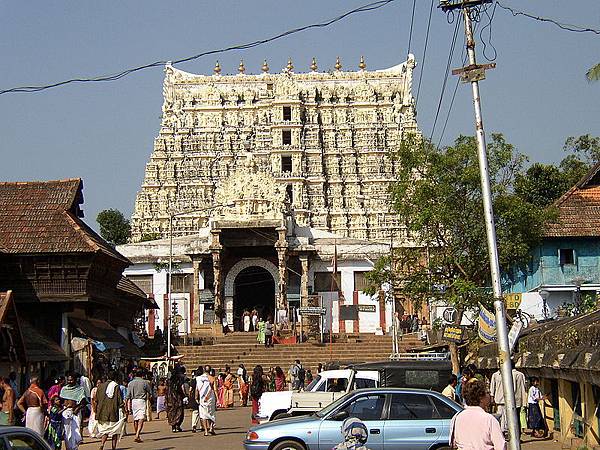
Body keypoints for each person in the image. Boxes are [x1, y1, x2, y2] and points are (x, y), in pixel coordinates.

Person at [450, 378, 506, 450]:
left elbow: (454, 444)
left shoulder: (457, 417)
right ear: (481, 397)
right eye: (487, 393)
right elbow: (501, 446)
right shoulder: (489, 419)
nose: (489, 395)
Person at [489, 364, 527, 435]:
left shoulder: (514, 374)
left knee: (511, 419)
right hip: (503, 400)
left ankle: (512, 435)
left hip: (512, 401)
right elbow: (492, 388)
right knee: (505, 419)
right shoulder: (496, 375)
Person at [95, 371, 126, 450]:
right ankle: (113, 447)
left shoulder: (100, 386)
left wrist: (96, 411)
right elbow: (120, 401)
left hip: (102, 412)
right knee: (115, 431)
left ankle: (102, 444)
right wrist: (124, 411)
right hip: (113, 412)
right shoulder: (116, 387)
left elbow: (96, 400)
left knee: (105, 430)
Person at [60, 373, 87, 450]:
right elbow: (60, 401)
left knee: (76, 432)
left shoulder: (80, 389)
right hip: (66, 412)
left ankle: (75, 448)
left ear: (75, 380)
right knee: (67, 431)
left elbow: (83, 403)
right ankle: (68, 448)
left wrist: (77, 409)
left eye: (71, 380)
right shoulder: (64, 389)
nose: (70, 381)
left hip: (76, 412)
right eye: (68, 380)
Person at [126, 368, 152, 442]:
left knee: (135, 418)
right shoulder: (145, 382)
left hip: (134, 401)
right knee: (141, 418)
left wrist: (126, 405)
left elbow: (128, 395)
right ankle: (137, 434)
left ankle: (137, 434)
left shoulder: (130, 383)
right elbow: (150, 392)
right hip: (141, 401)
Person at [196, 366, 217, 436]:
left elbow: (197, 389)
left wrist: (196, 398)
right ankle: (211, 428)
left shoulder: (198, 378)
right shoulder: (212, 378)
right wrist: (217, 398)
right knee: (211, 413)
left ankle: (206, 431)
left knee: (203, 414)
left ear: (204, 370)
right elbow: (215, 389)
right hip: (210, 397)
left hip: (202, 398)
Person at [166, 367, 185, 432]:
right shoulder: (178, 381)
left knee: (172, 412)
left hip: (170, 399)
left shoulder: (168, 382)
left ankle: (173, 427)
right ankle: (177, 425)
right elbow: (180, 390)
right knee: (179, 412)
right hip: (177, 399)